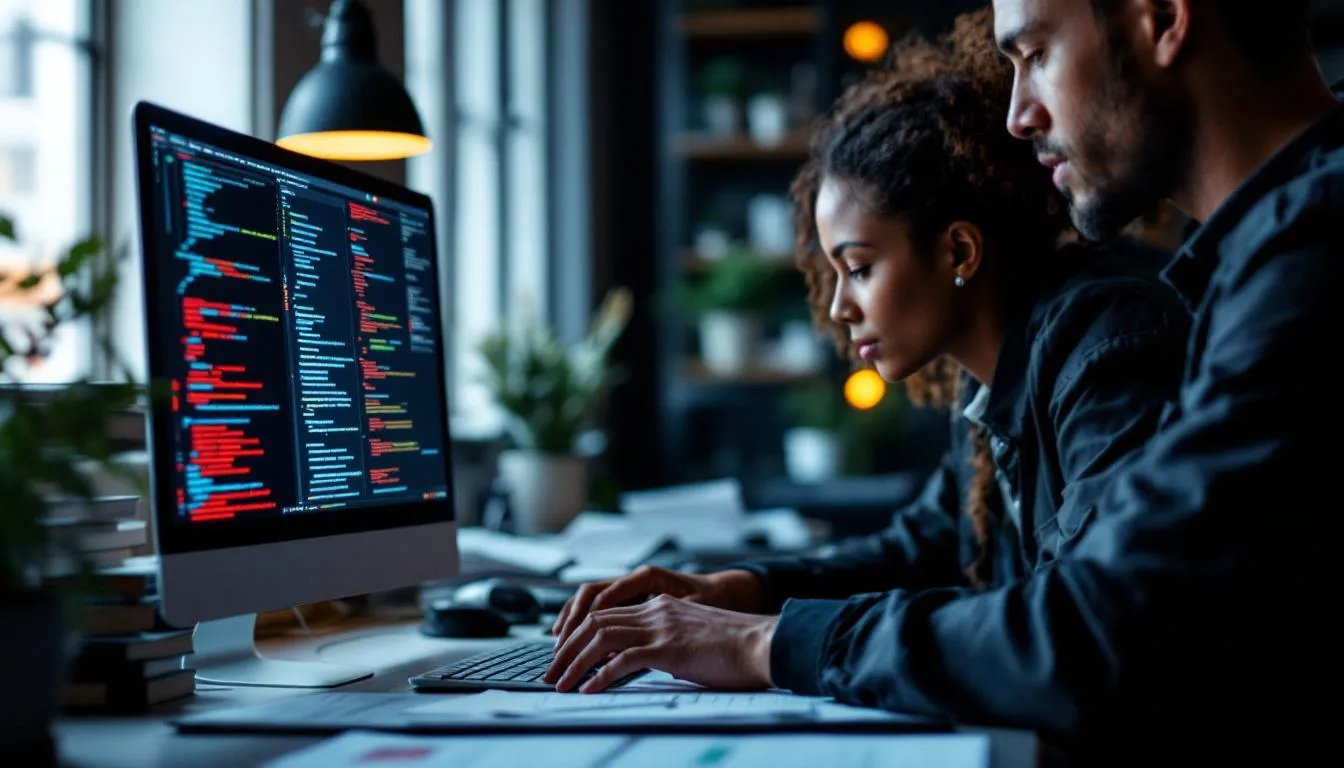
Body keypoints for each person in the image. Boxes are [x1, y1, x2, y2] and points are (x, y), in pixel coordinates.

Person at [544, 8, 1190, 747]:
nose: (841, 308)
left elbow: (1082, 641)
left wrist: (761, 645)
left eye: (858, 268)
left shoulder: (1104, 340)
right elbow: (921, 546)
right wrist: (736, 590)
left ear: (958, 251)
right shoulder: (989, 380)